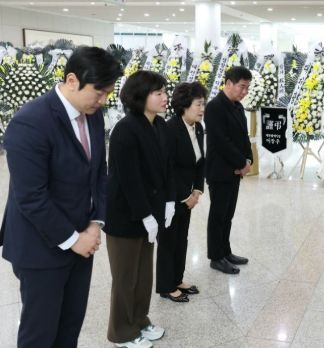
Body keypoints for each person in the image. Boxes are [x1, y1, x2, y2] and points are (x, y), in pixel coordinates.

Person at [0, 46, 121, 347]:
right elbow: (31, 197)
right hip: (41, 247)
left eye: (108, 93)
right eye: (99, 92)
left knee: (69, 327)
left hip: (83, 241)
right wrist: (72, 239)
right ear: (72, 80)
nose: (103, 101)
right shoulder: (31, 121)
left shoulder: (92, 115)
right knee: (40, 334)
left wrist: (95, 224)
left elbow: (99, 173)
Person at [104, 70, 175, 348]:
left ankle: (140, 320)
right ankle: (121, 332)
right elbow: (129, 179)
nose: (165, 97)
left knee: (144, 275)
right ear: (140, 97)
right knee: (125, 277)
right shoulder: (126, 130)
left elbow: (167, 167)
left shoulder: (159, 125)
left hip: (151, 213)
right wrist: (145, 214)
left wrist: (170, 200)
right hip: (127, 215)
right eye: (158, 93)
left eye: (164, 92)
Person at [156, 82, 206, 302]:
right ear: (184, 105)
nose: (202, 109)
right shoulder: (170, 129)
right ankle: (166, 286)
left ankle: (177, 278)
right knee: (168, 240)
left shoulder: (198, 128)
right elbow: (167, 169)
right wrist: (185, 197)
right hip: (170, 196)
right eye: (198, 104)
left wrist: (197, 190)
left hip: (189, 195)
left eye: (203, 104)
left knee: (181, 239)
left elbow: (200, 161)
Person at [205, 66, 253, 274]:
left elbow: (244, 137)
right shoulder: (214, 107)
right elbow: (221, 141)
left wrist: (248, 159)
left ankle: (226, 251)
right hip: (220, 170)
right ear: (228, 83)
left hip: (235, 170)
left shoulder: (238, 107)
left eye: (247, 88)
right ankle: (216, 257)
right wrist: (241, 163)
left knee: (228, 214)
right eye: (242, 87)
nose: (245, 92)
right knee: (218, 215)